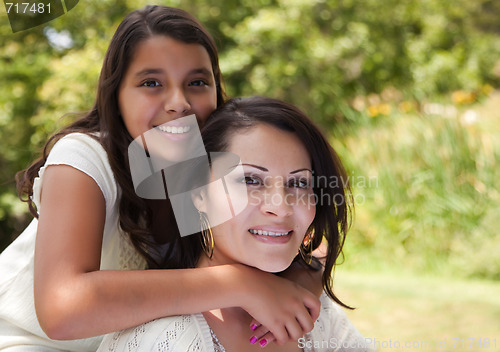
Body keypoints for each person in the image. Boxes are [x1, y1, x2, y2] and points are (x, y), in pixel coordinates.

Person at [0, 6, 321, 351]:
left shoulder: (210, 167)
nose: (178, 103)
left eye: (197, 83)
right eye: (151, 83)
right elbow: (62, 310)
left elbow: (304, 249)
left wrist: (297, 285)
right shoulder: (84, 159)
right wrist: (238, 282)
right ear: (116, 95)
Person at [97, 96, 373, 352]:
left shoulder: (317, 315)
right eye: (250, 180)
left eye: (299, 182)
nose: (280, 207)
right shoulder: (162, 339)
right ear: (199, 194)